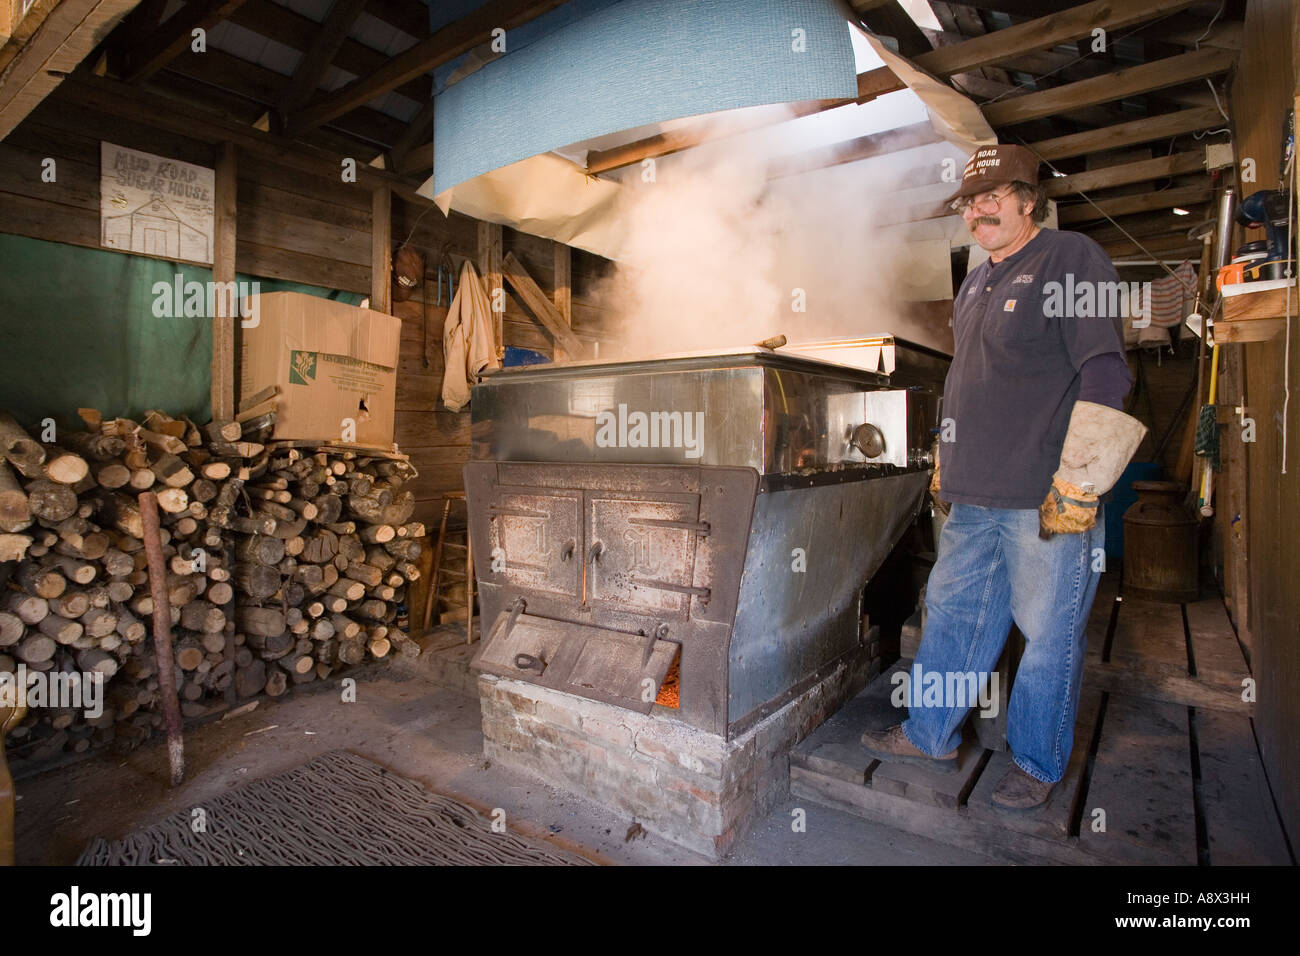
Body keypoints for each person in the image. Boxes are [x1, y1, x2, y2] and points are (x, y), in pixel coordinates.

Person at [860, 144, 1147, 810]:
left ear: (1027, 199)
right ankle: (929, 733)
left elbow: (1106, 370)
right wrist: (944, 464)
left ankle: (1037, 763)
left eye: (994, 194)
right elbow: (972, 383)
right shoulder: (977, 280)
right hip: (975, 496)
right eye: (969, 199)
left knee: (1048, 635)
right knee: (953, 622)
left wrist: (1080, 480)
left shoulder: (1070, 257)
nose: (980, 208)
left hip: (1045, 497)